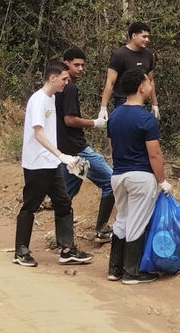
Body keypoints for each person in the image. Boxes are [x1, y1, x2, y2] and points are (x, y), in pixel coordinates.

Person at [13, 61, 93, 267]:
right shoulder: (38, 100)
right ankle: (20, 251)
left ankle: (67, 250)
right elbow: (38, 134)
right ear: (52, 78)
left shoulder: (52, 99)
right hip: (36, 164)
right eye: (64, 79)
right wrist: (62, 155)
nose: (67, 83)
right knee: (31, 205)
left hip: (51, 163)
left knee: (63, 203)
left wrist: (64, 158)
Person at [106, 68, 172, 284]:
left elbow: (112, 148)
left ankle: (114, 268)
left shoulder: (114, 115)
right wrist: (162, 181)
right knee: (137, 220)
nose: (151, 86)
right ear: (141, 88)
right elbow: (154, 153)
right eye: (148, 83)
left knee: (122, 218)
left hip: (118, 175)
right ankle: (132, 272)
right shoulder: (146, 118)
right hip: (141, 176)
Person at [55, 47, 115, 243]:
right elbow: (70, 120)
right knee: (111, 182)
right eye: (76, 65)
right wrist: (94, 123)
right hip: (78, 150)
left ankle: (63, 241)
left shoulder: (57, 87)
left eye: (82, 65)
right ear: (66, 63)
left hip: (64, 150)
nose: (80, 69)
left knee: (65, 196)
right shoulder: (69, 87)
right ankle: (102, 229)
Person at [98, 22, 159, 121]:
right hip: (123, 101)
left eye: (148, 37)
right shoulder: (120, 55)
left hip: (143, 100)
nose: (147, 40)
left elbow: (150, 80)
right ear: (134, 35)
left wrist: (154, 103)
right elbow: (110, 82)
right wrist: (103, 107)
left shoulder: (148, 55)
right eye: (144, 36)